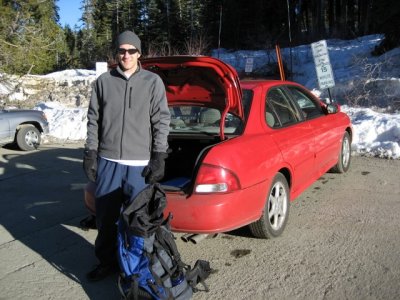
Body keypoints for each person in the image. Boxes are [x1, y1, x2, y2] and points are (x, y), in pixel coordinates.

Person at [83, 30, 170, 282]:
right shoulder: (103, 82)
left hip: (139, 165)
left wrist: (159, 156)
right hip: (109, 162)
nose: (126, 55)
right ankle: (107, 262)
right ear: (116, 53)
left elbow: (161, 121)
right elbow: (93, 121)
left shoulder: (152, 82)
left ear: (139, 53)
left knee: (139, 221)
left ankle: (137, 267)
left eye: (132, 50)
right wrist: (90, 152)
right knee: (105, 218)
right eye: (122, 50)